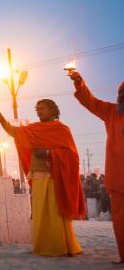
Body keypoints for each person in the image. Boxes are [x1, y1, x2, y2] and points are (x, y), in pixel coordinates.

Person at [0, 99, 85, 256]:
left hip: (55, 178)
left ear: (53, 111)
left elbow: (72, 156)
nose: (39, 111)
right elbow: (14, 132)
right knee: (40, 213)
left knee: (56, 211)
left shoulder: (62, 130)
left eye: (43, 109)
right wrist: (1, 119)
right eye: (38, 109)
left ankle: (60, 247)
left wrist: (49, 153)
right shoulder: (33, 129)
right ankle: (43, 246)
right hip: (38, 176)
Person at [69, 71, 124, 263]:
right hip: (119, 179)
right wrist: (79, 83)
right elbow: (90, 102)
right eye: (122, 94)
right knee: (120, 221)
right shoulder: (111, 112)